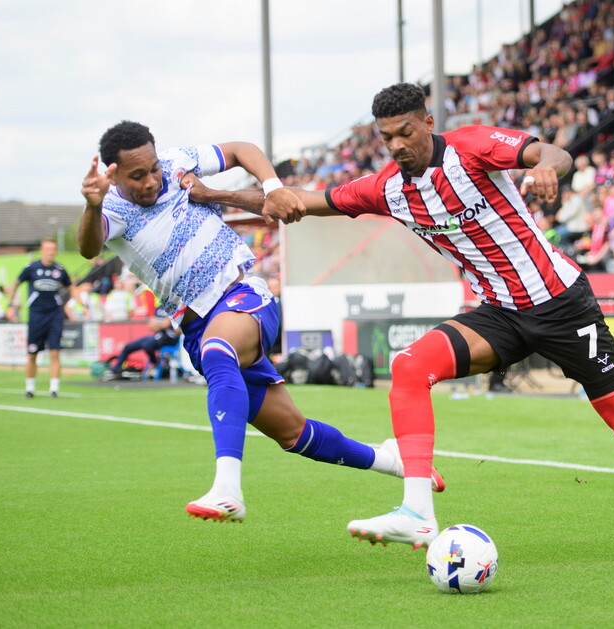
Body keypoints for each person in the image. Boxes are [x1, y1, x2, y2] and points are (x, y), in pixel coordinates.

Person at [189, 84, 614, 560]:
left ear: (429, 122)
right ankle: (416, 510)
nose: (398, 144)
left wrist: (549, 171)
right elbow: (302, 202)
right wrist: (217, 194)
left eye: (406, 131)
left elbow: (553, 154)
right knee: (409, 367)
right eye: (388, 137)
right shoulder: (386, 188)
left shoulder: (474, 147)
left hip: (561, 303)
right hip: (498, 314)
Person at [77, 120, 443, 524]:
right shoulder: (112, 210)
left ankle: (227, 490)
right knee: (294, 435)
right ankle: (394, 460)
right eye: (137, 176)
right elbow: (89, 246)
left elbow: (240, 149)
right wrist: (93, 204)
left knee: (219, 351)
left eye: (153, 170)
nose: (151, 180)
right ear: (113, 175)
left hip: (244, 295)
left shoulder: (178, 161)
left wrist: (273, 187)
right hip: (198, 325)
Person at [7, 238, 71, 398]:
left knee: (55, 352)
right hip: (36, 316)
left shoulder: (60, 270)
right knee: (32, 353)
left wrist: (80, 305)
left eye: (53, 250)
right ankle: (29, 389)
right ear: (42, 251)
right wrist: (10, 306)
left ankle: (54, 389)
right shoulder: (31, 268)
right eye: (48, 249)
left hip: (55, 315)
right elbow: (15, 284)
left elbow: (72, 287)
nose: (51, 253)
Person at [105, 310, 180, 379]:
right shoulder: (158, 308)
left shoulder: (172, 305)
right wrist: (162, 324)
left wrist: (159, 324)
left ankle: (157, 366)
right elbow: (151, 326)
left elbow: (172, 327)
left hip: (169, 339)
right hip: (156, 336)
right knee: (128, 347)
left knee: (147, 345)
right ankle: (115, 370)